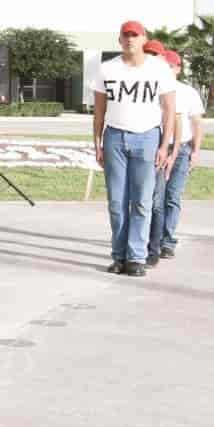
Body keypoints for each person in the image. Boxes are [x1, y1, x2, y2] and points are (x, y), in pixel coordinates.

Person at [90, 20, 176, 277]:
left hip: (148, 137)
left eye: (135, 35)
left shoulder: (159, 70)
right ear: (119, 40)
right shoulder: (107, 70)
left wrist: (164, 146)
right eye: (125, 35)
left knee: (142, 201)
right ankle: (119, 255)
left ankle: (136, 257)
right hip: (115, 137)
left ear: (143, 39)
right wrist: (98, 144)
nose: (130, 39)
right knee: (117, 202)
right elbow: (99, 113)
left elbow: (170, 111)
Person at [147, 49, 202, 266]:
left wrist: (195, 150)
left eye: (171, 66)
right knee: (155, 199)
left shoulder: (188, 93)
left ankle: (167, 240)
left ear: (178, 69)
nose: (167, 70)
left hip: (182, 149)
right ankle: (153, 239)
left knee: (172, 196)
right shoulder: (154, 88)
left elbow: (196, 124)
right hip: (157, 146)